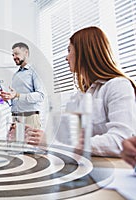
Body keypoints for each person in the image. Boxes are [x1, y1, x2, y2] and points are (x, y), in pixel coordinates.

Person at [28, 26, 136, 156]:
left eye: (69, 51)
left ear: (84, 52)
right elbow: (65, 140)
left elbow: (122, 141)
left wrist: (54, 143)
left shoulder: (117, 86)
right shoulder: (81, 95)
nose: (66, 58)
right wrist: (40, 139)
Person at [0, 42, 45, 130]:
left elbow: (40, 96)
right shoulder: (15, 75)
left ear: (26, 53)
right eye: (12, 55)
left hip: (30, 118)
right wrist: (7, 98)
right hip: (15, 118)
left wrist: (17, 95)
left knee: (30, 144)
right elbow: (15, 99)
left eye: (16, 54)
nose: (14, 57)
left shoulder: (34, 72)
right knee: (14, 144)